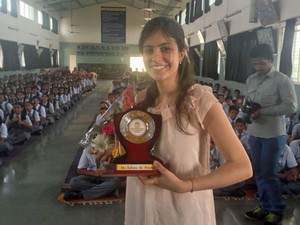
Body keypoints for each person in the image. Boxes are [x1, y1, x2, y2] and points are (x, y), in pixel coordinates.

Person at [124, 16, 252, 225]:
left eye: (165, 48)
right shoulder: (141, 101)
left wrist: (185, 185)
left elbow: (242, 167)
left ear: (182, 53)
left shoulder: (199, 100)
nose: (156, 57)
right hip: (141, 204)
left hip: (182, 211)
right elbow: (140, 154)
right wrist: (118, 150)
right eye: (149, 50)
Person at [244, 44, 297, 225]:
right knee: (258, 172)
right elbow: (248, 100)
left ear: (271, 61)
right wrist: (247, 109)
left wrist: (263, 112)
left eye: (262, 64)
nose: (258, 67)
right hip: (255, 132)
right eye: (255, 64)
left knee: (269, 173)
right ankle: (263, 207)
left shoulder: (281, 80)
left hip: (273, 134)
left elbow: (290, 107)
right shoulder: (250, 79)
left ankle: (276, 210)